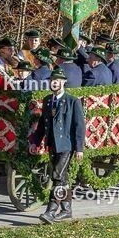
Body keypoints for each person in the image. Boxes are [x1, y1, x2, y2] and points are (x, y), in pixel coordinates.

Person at [30, 68, 85, 224]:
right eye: (52, 80)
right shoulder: (47, 100)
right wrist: (35, 141)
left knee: (57, 177)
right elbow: (41, 125)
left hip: (67, 145)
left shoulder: (73, 101)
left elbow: (79, 126)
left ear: (63, 82)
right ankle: (67, 210)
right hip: (52, 145)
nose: (54, 83)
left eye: (57, 80)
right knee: (63, 178)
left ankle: (51, 211)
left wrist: (79, 149)